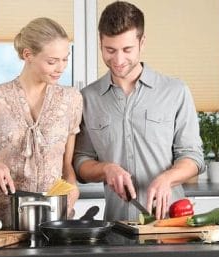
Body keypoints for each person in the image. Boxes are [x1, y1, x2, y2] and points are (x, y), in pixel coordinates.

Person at [73, 1, 205, 221]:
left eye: (127, 50)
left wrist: (168, 178)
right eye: (110, 50)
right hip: (117, 227)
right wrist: (106, 169)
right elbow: (80, 162)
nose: (118, 60)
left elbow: (193, 157)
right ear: (100, 43)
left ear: (142, 42)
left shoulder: (175, 92)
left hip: (172, 225)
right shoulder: (88, 98)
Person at [0, 17, 82, 228]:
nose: (61, 68)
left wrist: (72, 187)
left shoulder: (72, 99)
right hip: (5, 222)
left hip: (57, 220)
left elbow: (66, 166)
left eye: (65, 59)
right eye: (52, 61)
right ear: (27, 55)